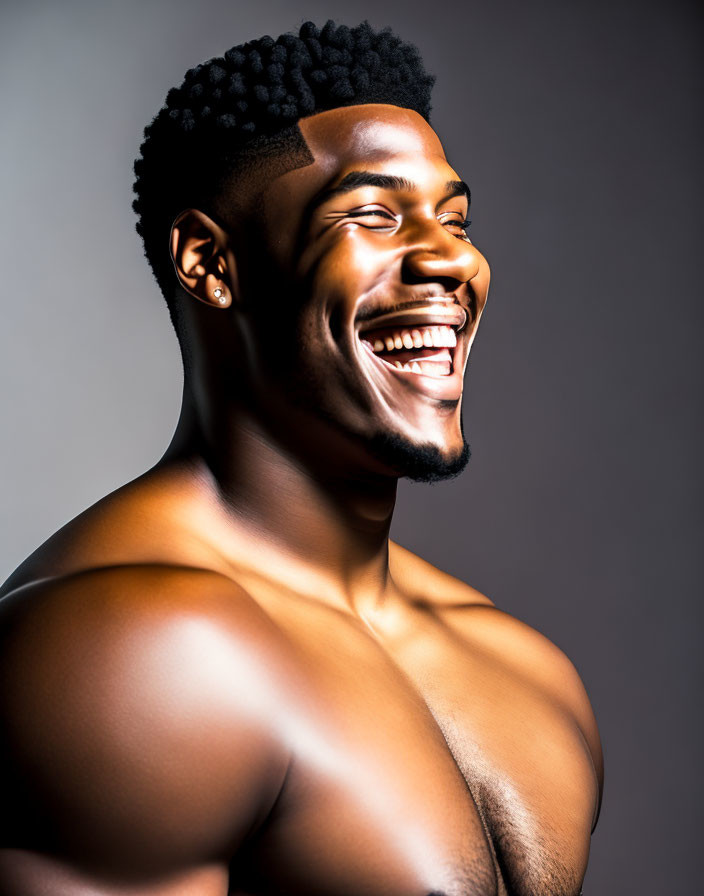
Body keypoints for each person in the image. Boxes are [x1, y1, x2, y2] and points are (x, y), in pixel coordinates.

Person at [0, 20, 602, 896]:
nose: (451, 258)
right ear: (211, 262)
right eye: (371, 213)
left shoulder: (524, 668)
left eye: (455, 218)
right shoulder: (129, 660)